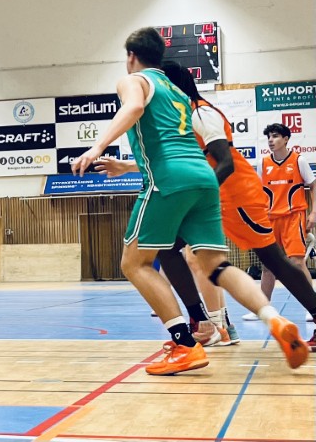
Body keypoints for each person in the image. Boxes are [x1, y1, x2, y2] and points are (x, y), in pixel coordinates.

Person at [72, 27, 308, 375]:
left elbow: (134, 107)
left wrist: (97, 147)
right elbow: (179, 144)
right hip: (204, 180)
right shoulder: (179, 93)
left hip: (170, 181)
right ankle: (275, 320)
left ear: (131, 56)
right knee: (216, 265)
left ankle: (185, 344)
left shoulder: (135, 80)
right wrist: (128, 165)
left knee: (134, 263)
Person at [242, 123, 316, 327]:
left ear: (286, 139)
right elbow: (257, 192)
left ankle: (311, 307)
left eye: (275, 136)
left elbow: (313, 186)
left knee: (297, 262)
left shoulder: (299, 160)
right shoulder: (263, 162)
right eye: (269, 137)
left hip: (294, 217)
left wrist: (313, 213)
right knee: (268, 265)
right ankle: (263, 308)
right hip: (269, 218)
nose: (271, 140)